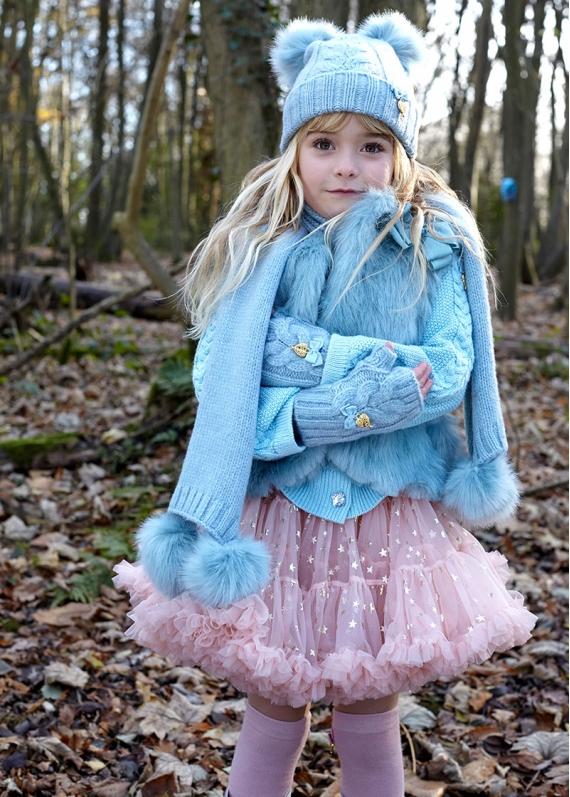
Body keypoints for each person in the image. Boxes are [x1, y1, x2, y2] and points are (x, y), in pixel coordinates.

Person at [113, 11, 537, 797]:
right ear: (295, 150)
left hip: (388, 518)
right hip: (281, 510)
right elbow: (223, 370)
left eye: (372, 145)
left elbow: (445, 370)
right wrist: (341, 385)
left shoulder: (432, 244)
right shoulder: (261, 248)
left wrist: (303, 366)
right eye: (323, 143)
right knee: (274, 708)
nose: (346, 166)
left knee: (369, 710)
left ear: (400, 153)